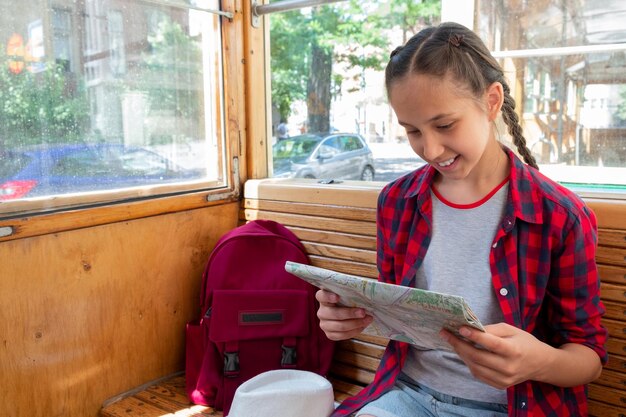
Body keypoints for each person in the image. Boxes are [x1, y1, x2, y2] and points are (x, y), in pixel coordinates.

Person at [316, 22, 607, 417]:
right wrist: (350, 316)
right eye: (412, 131)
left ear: (491, 101)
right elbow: (398, 311)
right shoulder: (397, 202)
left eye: (445, 125)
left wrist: (537, 361)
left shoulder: (558, 214)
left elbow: (589, 357)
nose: (430, 148)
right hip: (407, 393)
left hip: (512, 405)